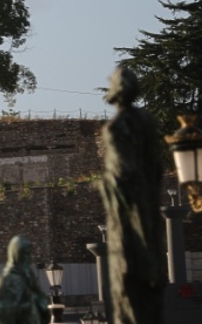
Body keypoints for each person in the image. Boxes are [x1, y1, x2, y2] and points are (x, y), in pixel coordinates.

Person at [99, 66, 166, 324]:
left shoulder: (116, 127)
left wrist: (102, 185)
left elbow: (121, 176)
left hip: (127, 215)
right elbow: (157, 168)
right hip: (150, 207)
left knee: (126, 288)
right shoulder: (148, 121)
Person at [0, 236, 50, 324]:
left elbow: (40, 298)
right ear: (16, 254)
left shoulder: (29, 275)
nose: (29, 257)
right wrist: (24, 307)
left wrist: (41, 303)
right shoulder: (9, 278)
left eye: (30, 254)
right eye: (26, 254)